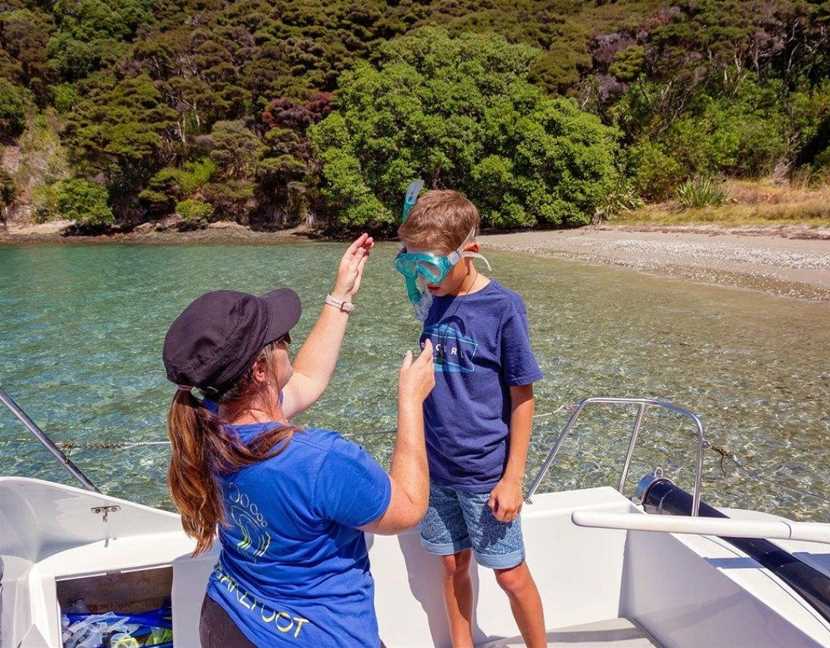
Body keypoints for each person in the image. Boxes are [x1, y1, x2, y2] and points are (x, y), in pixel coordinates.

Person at [162, 234, 436, 647]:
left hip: (226, 620)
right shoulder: (319, 460)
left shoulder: (207, 423)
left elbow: (305, 381)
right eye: (281, 337)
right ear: (259, 370)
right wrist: (411, 402)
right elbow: (409, 509)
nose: (289, 338)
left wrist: (339, 298)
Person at [395, 191, 548, 647]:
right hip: (435, 469)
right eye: (411, 266)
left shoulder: (502, 307)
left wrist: (513, 479)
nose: (424, 279)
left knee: (509, 573)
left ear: (471, 253)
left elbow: (522, 397)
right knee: (449, 563)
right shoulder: (431, 300)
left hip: (484, 473)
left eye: (434, 266)